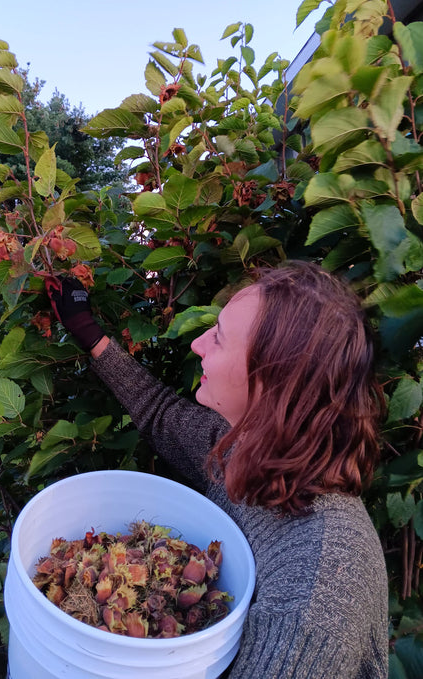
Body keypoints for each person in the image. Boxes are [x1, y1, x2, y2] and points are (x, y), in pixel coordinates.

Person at [47, 260, 388, 679]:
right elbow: (161, 413)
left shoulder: (318, 593)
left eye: (220, 339)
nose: (198, 344)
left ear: (271, 382)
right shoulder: (250, 451)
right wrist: (87, 331)